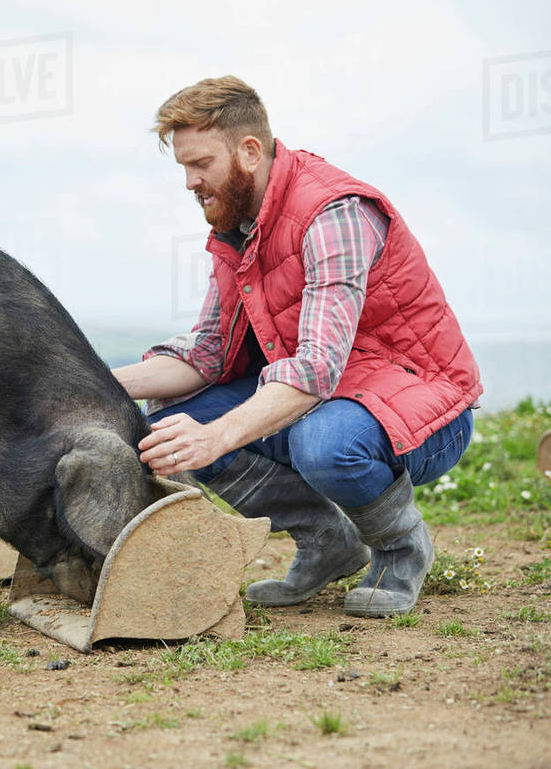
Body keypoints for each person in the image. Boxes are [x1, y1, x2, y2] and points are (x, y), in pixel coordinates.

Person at [113, 76, 481, 618]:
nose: (190, 182)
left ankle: (402, 549)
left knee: (321, 443)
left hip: (424, 411)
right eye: (184, 168)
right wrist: (89, 380)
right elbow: (209, 355)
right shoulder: (236, 227)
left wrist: (215, 438)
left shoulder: (334, 213)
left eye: (200, 165)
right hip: (329, 398)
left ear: (250, 151)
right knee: (170, 421)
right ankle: (327, 542)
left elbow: (314, 368)